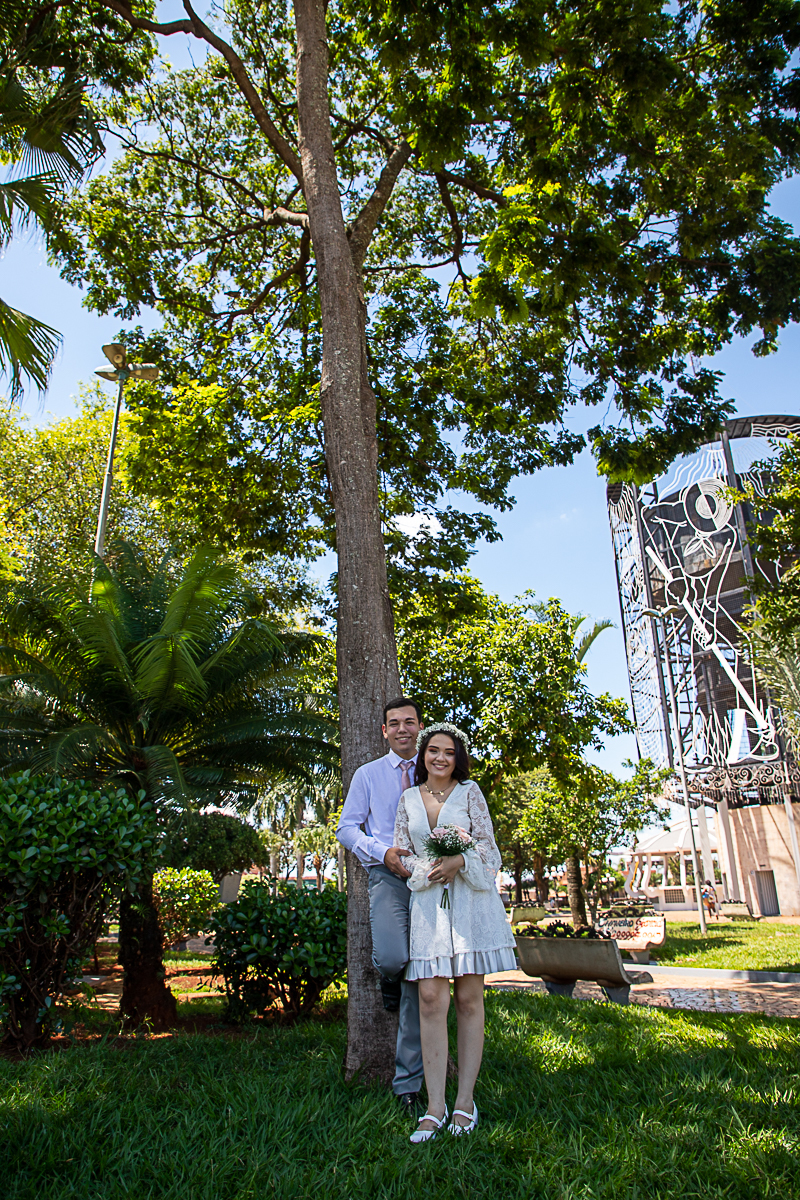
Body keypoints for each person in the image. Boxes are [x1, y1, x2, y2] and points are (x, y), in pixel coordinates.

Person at [393, 722, 516, 1143]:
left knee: (468, 998)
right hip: (429, 904)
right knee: (430, 998)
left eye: (448, 752)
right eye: (433, 750)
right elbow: (403, 852)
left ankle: (464, 1102)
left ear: (457, 758)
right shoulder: (408, 799)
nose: (441, 758)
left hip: (468, 903)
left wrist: (459, 861)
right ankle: (434, 1107)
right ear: (423, 755)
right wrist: (428, 868)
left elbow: (489, 848)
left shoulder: (470, 792)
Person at [335, 697, 425, 1111]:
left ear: (420, 726)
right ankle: (390, 976)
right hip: (387, 875)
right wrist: (382, 852)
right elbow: (346, 828)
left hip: (432, 881)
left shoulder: (433, 769)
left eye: (410, 721)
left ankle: (407, 1084)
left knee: (420, 980)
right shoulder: (368, 775)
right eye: (395, 723)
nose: (403, 729)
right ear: (384, 731)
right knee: (392, 960)